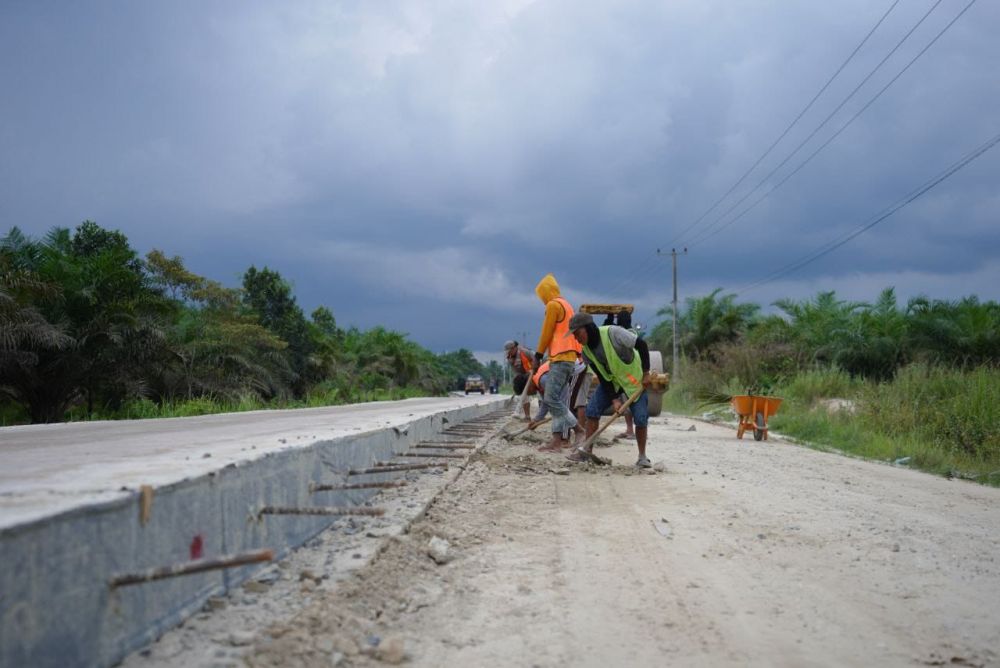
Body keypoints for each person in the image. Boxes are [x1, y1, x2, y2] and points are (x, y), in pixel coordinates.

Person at [566, 312, 654, 468]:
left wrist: (646, 373)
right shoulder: (586, 351)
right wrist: (614, 398)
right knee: (592, 410)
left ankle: (642, 457)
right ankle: (586, 451)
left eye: (577, 333)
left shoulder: (613, 333)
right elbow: (601, 375)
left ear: (588, 328)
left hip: (634, 380)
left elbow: (642, 345)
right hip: (612, 382)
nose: (576, 338)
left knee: (640, 417)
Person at [533, 274, 584, 450]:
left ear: (545, 293)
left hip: (560, 357)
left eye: (541, 296)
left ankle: (578, 429)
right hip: (570, 357)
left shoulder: (553, 305)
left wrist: (538, 355)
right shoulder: (567, 305)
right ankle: (556, 440)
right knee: (557, 400)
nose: (542, 300)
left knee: (550, 398)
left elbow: (546, 332)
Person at [524, 359, 590, 451]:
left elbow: (561, 396)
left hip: (576, 368)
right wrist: (536, 420)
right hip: (565, 370)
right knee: (557, 407)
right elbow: (546, 404)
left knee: (563, 406)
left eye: (528, 392)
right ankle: (558, 441)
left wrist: (560, 407)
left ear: (528, 384)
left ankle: (572, 435)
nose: (530, 394)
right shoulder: (539, 382)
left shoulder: (543, 380)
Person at [614, 310, 636, 441]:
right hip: (632, 373)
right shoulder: (633, 333)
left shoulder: (620, 334)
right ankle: (630, 430)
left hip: (626, 373)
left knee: (626, 401)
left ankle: (630, 430)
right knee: (628, 401)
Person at [504, 340, 535, 419]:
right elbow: (516, 371)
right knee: (522, 393)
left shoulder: (525, 352)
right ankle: (527, 416)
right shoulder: (510, 358)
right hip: (523, 374)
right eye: (507, 351)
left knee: (542, 393)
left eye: (510, 350)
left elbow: (536, 360)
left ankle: (542, 414)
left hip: (534, 372)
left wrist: (533, 371)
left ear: (514, 348)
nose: (509, 352)